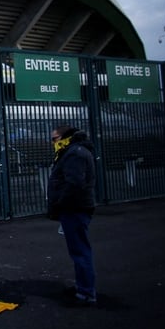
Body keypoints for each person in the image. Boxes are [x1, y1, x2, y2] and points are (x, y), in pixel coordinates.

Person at [47, 125, 97, 306]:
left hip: (74, 208)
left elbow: (74, 183)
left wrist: (60, 203)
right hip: (76, 207)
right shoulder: (75, 151)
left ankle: (86, 292)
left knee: (80, 251)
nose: (53, 143)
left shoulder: (74, 153)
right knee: (79, 249)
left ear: (65, 137)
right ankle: (83, 288)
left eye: (55, 139)